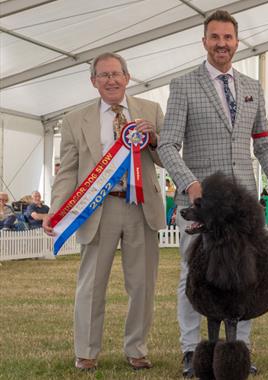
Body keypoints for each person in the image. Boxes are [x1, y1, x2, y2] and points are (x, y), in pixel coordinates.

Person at [157, 10, 268, 378]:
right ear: (204, 42)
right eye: (215, 37)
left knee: (244, 278)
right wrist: (190, 183)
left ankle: (239, 352)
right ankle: (192, 351)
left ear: (237, 42)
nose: (222, 44)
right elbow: (168, 145)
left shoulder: (252, 86)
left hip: (244, 207)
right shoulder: (183, 85)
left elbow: (263, 142)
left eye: (228, 38)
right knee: (193, 276)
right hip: (202, 202)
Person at [43, 52, 165, 371]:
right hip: (96, 210)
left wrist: (154, 139)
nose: (110, 80)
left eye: (116, 74)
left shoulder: (151, 111)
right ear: (93, 81)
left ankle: (137, 349)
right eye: (103, 75)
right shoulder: (73, 120)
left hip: (141, 207)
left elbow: (168, 157)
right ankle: (86, 351)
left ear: (127, 77)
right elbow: (67, 171)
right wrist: (57, 210)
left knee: (142, 284)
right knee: (91, 284)